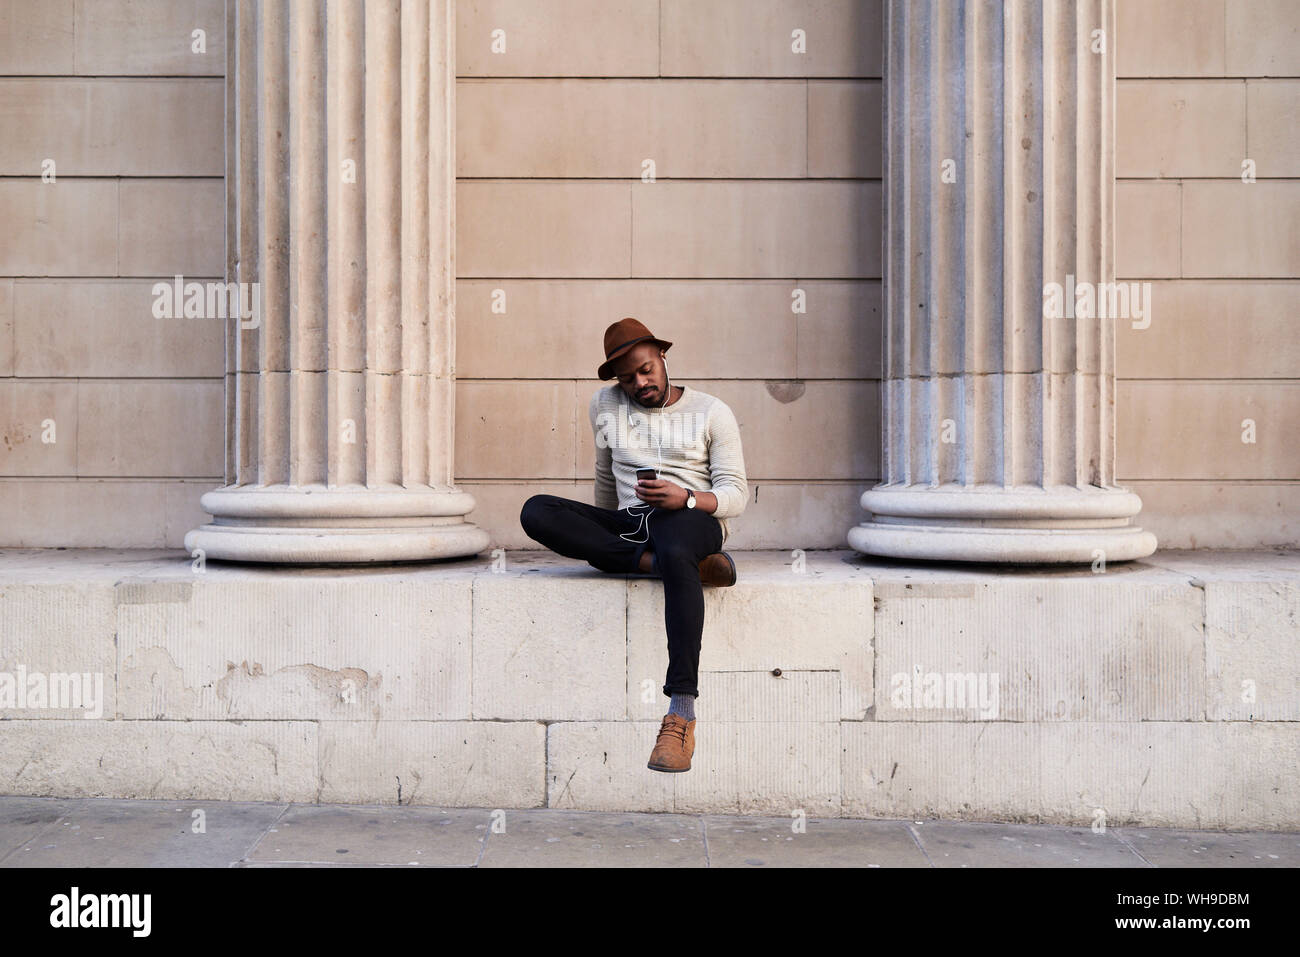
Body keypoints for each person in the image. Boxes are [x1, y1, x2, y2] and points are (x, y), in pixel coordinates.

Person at [519, 317, 748, 773]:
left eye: (646, 370)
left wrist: (684, 497)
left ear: (663, 358)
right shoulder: (605, 405)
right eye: (628, 378)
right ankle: (662, 564)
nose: (639, 383)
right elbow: (606, 477)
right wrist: (601, 535)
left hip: (694, 520)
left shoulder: (711, 411)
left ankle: (680, 713)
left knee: (673, 531)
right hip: (632, 523)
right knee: (537, 510)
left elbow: (736, 494)